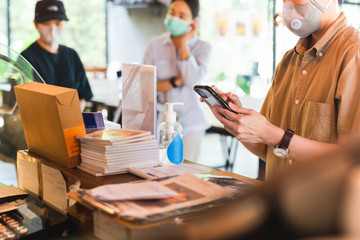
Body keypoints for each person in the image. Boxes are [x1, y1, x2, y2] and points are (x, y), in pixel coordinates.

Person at [202, 0, 360, 180]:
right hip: (280, 201)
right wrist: (238, 123)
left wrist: (275, 136)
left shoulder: (353, 55)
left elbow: (353, 161)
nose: (287, 3)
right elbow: (269, 150)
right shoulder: (288, 60)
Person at [143, 0, 212, 162]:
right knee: (159, 170)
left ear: (194, 22)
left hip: (191, 124)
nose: (175, 18)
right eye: (172, 13)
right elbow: (147, 86)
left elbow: (191, 79)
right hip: (161, 123)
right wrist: (176, 81)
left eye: (182, 15)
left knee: (186, 174)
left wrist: (184, 43)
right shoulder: (154, 45)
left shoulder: (203, 48)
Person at [21, 0, 93, 110]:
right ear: (35, 24)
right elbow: (21, 102)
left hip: (71, 122)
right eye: (46, 24)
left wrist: (71, 119)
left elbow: (82, 96)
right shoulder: (26, 58)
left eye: (58, 23)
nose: (52, 28)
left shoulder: (72, 56)